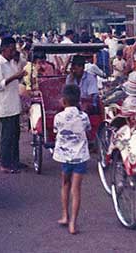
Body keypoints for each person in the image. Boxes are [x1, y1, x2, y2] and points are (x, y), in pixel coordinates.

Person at [53, 84, 91, 235]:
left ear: (63, 101)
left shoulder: (58, 117)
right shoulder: (84, 117)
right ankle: (73, 223)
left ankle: (64, 216)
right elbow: (88, 129)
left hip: (65, 157)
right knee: (76, 190)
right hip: (80, 157)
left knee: (65, 185)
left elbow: (56, 130)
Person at [0, 37, 27, 174]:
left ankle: (15, 161)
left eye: (14, 49)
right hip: (5, 105)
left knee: (15, 134)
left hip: (14, 103)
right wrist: (15, 77)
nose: (13, 52)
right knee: (7, 136)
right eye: (11, 49)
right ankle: (5, 164)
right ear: (4, 49)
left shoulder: (12, 62)